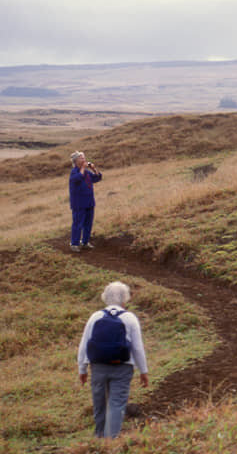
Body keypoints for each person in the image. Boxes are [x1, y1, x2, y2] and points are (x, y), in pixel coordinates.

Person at [77, 281, 149, 439]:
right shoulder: (130, 318)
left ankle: (99, 439)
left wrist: (82, 370)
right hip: (122, 368)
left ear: (105, 298)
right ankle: (110, 442)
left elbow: (84, 345)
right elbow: (137, 347)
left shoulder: (95, 316)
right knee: (116, 404)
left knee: (99, 404)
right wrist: (143, 371)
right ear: (125, 299)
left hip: (97, 367)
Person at [68, 151, 102, 252]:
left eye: (84, 158)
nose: (84, 160)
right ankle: (74, 244)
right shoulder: (74, 172)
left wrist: (93, 169)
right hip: (79, 203)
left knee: (88, 223)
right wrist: (83, 168)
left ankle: (85, 242)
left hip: (89, 202)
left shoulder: (87, 172)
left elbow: (97, 178)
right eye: (81, 158)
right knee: (78, 224)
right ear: (76, 161)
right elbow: (77, 179)